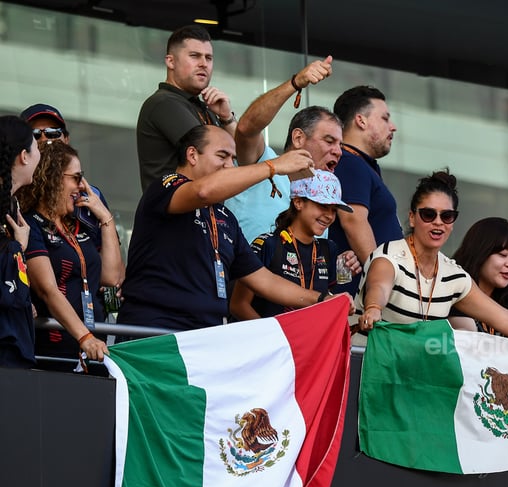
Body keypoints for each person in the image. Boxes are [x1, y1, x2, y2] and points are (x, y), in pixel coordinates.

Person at [118, 125, 348, 332]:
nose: (229, 165)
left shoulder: (225, 216)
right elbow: (202, 191)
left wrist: (322, 299)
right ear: (192, 155)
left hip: (205, 336)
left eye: (233, 158)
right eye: (222, 156)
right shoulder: (166, 185)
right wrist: (273, 166)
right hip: (154, 331)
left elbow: (265, 281)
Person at [356, 169, 508, 352]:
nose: (438, 222)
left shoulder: (453, 275)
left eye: (447, 216)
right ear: (412, 217)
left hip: (412, 376)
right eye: (429, 214)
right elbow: (379, 286)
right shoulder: (389, 255)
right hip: (366, 367)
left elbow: (507, 319)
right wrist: (373, 308)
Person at [19, 142, 121, 367]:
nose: (82, 187)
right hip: (52, 350)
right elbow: (47, 290)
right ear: (53, 177)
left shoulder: (80, 225)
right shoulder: (30, 224)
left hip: (93, 350)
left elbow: (111, 277)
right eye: (76, 177)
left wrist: (105, 218)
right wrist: (84, 337)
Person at [228, 57, 336, 242]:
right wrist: (296, 83)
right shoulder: (263, 160)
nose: (338, 151)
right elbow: (247, 127)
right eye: (329, 141)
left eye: (340, 145)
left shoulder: (322, 205)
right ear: (298, 138)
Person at [229, 170, 359, 320]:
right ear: (298, 202)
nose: (329, 216)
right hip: (273, 341)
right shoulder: (268, 244)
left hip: (306, 341)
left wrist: (345, 273)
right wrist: (274, 337)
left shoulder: (328, 249)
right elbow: (238, 305)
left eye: (334, 210)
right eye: (323, 206)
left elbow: (322, 299)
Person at [136, 25, 237, 191]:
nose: (203, 64)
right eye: (195, 56)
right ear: (170, 61)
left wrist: (227, 118)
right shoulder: (164, 103)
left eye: (209, 58)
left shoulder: (205, 106)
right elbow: (210, 154)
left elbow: (244, 156)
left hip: (202, 212)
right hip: (172, 213)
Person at [329, 85, 402, 294]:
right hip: (365, 298)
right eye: (385, 118)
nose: (393, 127)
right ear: (361, 120)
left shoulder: (360, 164)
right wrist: (384, 282)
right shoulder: (350, 162)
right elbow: (353, 221)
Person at [0, 115, 39, 368]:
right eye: (36, 147)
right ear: (24, 156)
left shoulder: (11, 204)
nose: (39, 154)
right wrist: (19, 247)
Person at [449, 217, 508, 332]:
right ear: (480, 252)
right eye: (502, 254)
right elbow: (469, 341)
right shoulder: (456, 291)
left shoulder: (507, 300)